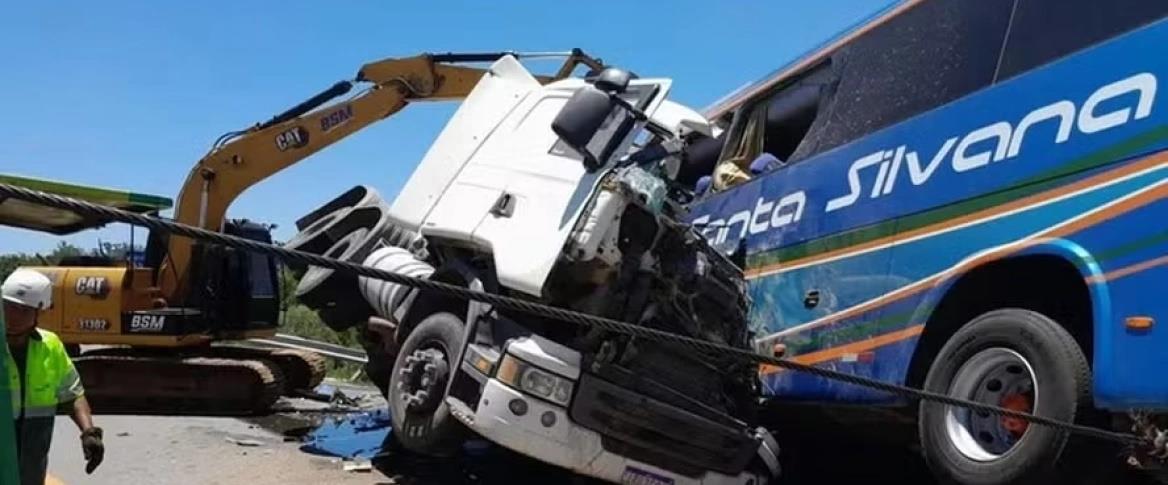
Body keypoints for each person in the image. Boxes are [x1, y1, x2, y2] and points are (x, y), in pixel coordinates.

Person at [3, 268, 104, 485]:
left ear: (39, 312)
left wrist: (89, 431)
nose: (12, 316)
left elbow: (72, 393)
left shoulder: (51, 346)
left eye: (23, 310)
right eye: (8, 307)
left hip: (32, 464)